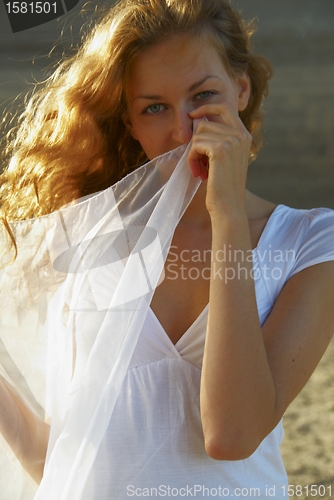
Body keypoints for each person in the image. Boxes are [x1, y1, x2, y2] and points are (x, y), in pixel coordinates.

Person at [0, 0, 334, 498]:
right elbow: (60, 462)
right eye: (154, 108)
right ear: (131, 124)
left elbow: (231, 435)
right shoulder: (80, 243)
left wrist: (227, 218)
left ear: (241, 90)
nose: (184, 130)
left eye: (203, 95)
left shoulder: (311, 242)